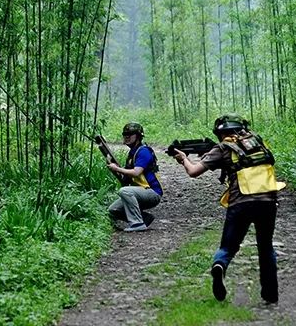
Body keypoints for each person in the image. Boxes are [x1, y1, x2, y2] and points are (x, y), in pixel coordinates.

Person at [173, 114, 280, 304]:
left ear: (220, 133)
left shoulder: (223, 147)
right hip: (268, 201)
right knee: (266, 247)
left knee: (228, 246)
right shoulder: (260, 143)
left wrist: (183, 159)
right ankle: (270, 294)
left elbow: (193, 172)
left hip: (241, 203)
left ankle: (220, 265)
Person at [107, 122, 164, 232]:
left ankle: (137, 223)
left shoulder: (143, 151)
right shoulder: (132, 154)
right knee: (113, 210)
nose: (126, 137)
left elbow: (136, 172)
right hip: (140, 192)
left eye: (130, 134)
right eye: (125, 134)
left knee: (125, 191)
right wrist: (114, 169)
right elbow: (126, 180)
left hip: (152, 192)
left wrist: (117, 169)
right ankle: (144, 218)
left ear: (138, 136)